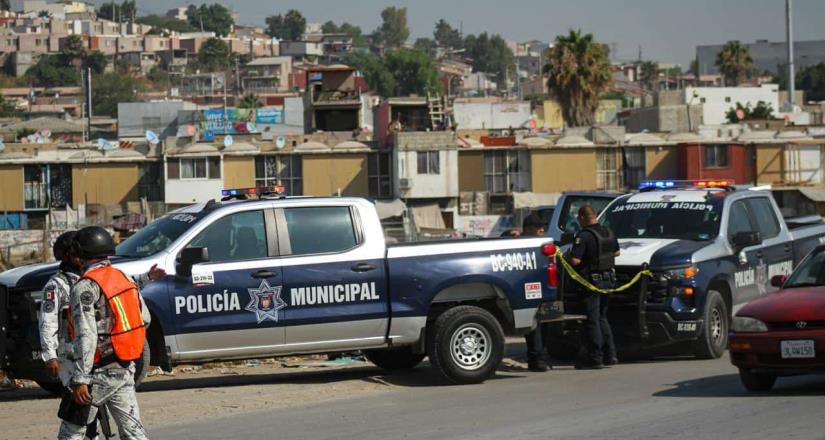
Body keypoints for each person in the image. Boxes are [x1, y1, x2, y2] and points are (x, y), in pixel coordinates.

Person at [59, 226, 152, 440]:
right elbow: (144, 318)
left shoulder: (85, 287)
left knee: (71, 432)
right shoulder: (124, 278)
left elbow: (86, 335)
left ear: (80, 257)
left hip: (98, 373)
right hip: (124, 366)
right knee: (133, 432)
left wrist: (81, 378)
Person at [40, 231, 99, 440]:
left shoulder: (91, 279)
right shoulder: (56, 285)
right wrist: (50, 356)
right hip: (70, 358)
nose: (80, 258)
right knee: (79, 408)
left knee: (94, 409)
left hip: (92, 353)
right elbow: (47, 322)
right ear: (66, 256)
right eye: (76, 253)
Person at [568, 205, 620, 370]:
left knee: (592, 320)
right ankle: (611, 355)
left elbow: (575, 261)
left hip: (591, 283)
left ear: (582, 218)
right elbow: (617, 252)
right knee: (603, 317)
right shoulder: (608, 232)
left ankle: (595, 358)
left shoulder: (583, 236)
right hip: (609, 280)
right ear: (595, 216)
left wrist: (567, 255)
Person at [520, 213, 550, 372]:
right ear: (528, 228)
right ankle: (537, 359)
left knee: (542, 325)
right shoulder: (518, 243)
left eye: (542, 226)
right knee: (533, 326)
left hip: (543, 291)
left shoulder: (542, 243)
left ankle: (540, 357)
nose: (542, 229)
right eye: (538, 227)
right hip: (527, 291)